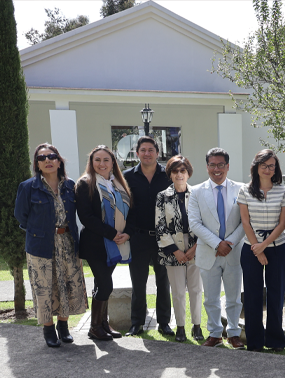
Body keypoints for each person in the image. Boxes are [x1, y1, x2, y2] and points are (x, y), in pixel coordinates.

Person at [14, 143, 87, 347]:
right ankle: (48, 329)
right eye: (41, 157)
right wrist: (42, 230)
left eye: (51, 156)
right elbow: (21, 215)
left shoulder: (70, 185)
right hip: (40, 244)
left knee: (67, 284)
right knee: (44, 287)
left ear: (58, 160)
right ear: (37, 164)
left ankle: (63, 327)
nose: (47, 160)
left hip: (68, 241)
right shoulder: (28, 187)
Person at [189, 148, 245, 349]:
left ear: (228, 166)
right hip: (208, 252)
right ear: (207, 167)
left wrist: (228, 243)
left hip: (233, 252)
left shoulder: (242, 189)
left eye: (221, 164)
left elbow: (245, 222)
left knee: (234, 297)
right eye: (212, 164)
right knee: (210, 298)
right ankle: (214, 334)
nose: (216, 169)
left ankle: (233, 333)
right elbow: (194, 223)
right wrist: (217, 244)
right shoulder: (195, 191)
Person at [75, 145, 132, 342]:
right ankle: (94, 327)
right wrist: (111, 233)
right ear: (91, 162)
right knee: (106, 285)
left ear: (113, 162)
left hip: (116, 242)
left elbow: (128, 211)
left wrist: (126, 234)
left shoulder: (118, 183)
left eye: (106, 160)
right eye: (97, 160)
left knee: (101, 284)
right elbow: (86, 217)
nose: (101, 164)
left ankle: (103, 324)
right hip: (96, 244)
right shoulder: (85, 183)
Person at [238, 149, 285, 352]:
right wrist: (257, 250)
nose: (268, 169)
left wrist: (265, 245)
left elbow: (282, 223)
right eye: (264, 165)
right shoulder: (245, 190)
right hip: (250, 250)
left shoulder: (283, 191)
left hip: (276, 250)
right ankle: (255, 342)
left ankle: (276, 340)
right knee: (252, 296)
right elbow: (245, 221)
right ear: (256, 167)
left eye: (271, 166)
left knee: (276, 295)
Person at [123, 136, 173, 336]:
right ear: (137, 153)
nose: (147, 153)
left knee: (163, 281)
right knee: (138, 282)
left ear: (157, 153)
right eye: (143, 150)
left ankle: (164, 323)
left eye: (151, 149)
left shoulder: (168, 175)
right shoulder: (127, 177)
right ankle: (137, 323)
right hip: (138, 237)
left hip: (164, 238)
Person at [155, 155, 203, 343]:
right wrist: (176, 251)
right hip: (172, 248)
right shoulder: (162, 196)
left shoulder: (197, 194)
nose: (179, 174)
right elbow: (160, 226)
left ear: (188, 173)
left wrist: (195, 248)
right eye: (175, 171)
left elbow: (204, 223)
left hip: (196, 247)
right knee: (177, 291)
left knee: (196, 289)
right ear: (170, 174)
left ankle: (197, 327)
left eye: (182, 170)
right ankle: (181, 327)